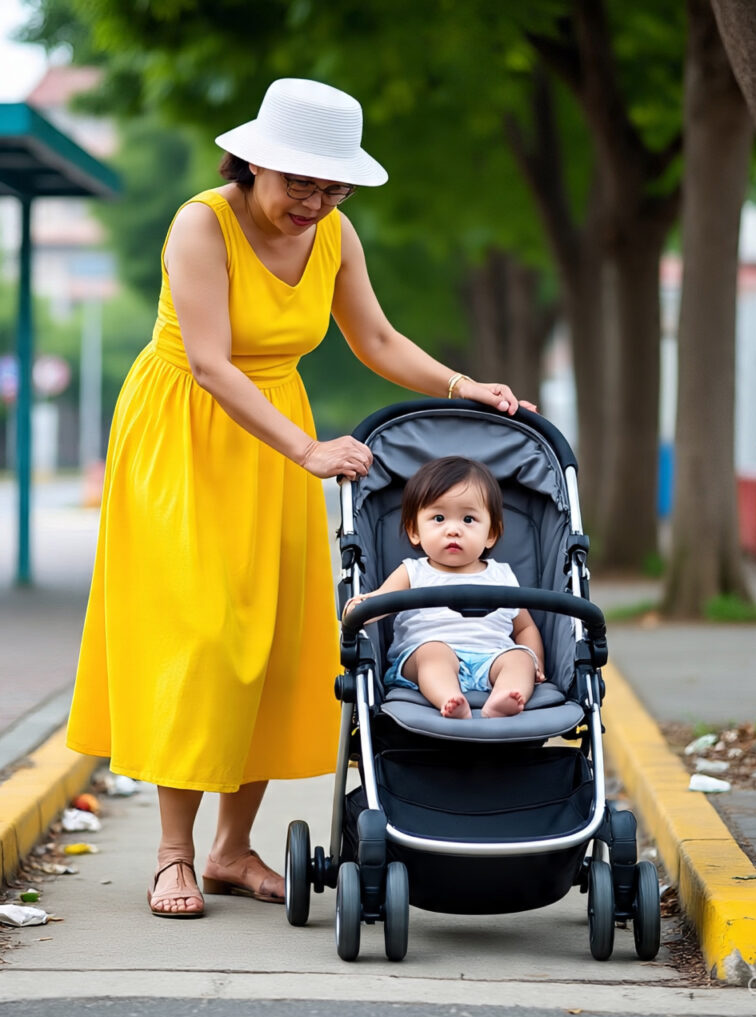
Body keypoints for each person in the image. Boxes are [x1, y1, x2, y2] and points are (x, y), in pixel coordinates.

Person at [65, 78, 535, 919]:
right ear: (253, 163)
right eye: (300, 185)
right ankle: (173, 853)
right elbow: (210, 362)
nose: (315, 203)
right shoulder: (201, 223)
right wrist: (309, 450)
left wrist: (467, 386)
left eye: (333, 188)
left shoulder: (334, 234)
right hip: (188, 431)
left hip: (279, 434)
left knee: (277, 641)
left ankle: (232, 850)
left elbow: (378, 339)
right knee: (205, 639)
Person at [344, 456, 545, 720]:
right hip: (425, 654)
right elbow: (381, 600)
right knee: (434, 652)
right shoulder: (413, 572)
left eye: (469, 519)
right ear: (414, 531)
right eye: (439, 518)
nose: (453, 530)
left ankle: (504, 696)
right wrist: (361, 608)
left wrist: (534, 661)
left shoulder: (502, 575)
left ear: (491, 534)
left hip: (491, 658)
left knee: (519, 658)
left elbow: (525, 627)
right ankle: (449, 698)